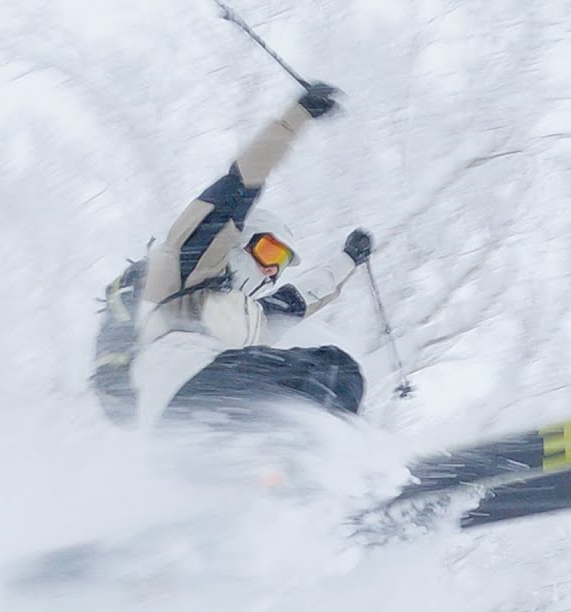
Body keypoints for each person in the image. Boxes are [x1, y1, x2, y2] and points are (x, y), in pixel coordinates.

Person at [98, 81, 376, 429]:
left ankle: (302, 471)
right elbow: (240, 183)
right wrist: (297, 117)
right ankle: (342, 456)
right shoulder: (188, 270)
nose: (271, 271)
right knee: (333, 370)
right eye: (268, 250)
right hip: (193, 379)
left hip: (190, 423)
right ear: (240, 240)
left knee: (336, 376)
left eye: (281, 263)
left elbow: (308, 294)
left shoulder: (253, 317)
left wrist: (350, 258)